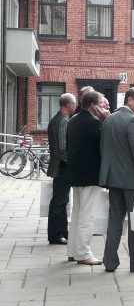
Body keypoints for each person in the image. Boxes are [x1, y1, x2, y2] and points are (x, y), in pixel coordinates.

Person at [99, 87, 134, 273]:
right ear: (129, 100)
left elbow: (104, 149)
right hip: (131, 181)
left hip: (113, 180)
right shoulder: (132, 120)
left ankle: (109, 262)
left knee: (114, 222)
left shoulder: (109, 119)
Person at [66, 91, 110, 265]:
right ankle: (83, 253)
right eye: (101, 103)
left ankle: (73, 250)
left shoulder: (73, 120)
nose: (104, 106)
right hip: (89, 175)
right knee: (87, 216)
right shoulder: (94, 123)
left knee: (77, 213)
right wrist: (107, 118)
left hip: (75, 174)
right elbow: (109, 138)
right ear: (93, 106)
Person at [46, 92, 77, 245]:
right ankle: (56, 235)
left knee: (61, 200)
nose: (75, 106)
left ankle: (62, 232)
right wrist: (71, 162)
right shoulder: (64, 121)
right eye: (74, 104)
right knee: (60, 201)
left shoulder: (56, 119)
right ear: (69, 105)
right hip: (63, 167)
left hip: (58, 166)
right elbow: (64, 147)